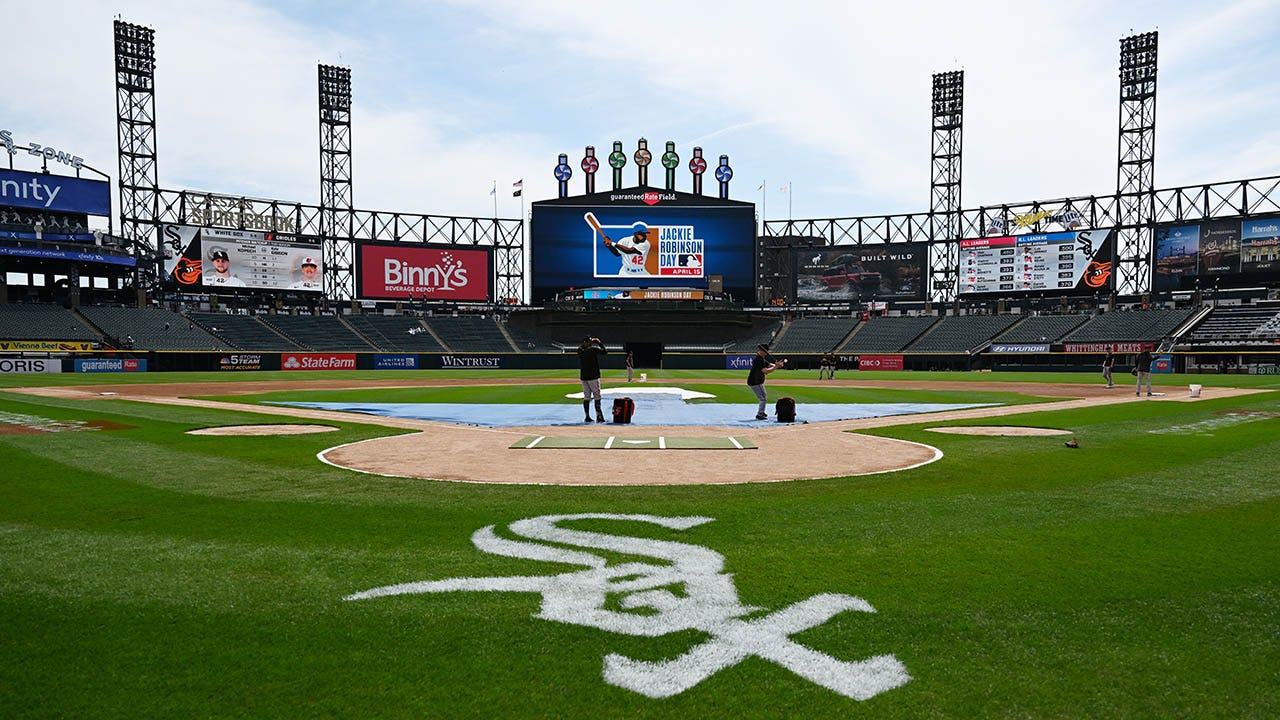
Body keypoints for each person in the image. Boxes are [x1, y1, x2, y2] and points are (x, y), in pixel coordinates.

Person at [747, 343, 787, 420]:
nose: (765, 353)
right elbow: (766, 371)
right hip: (755, 382)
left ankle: (762, 412)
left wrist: (776, 365)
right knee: (762, 398)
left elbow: (769, 365)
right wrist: (776, 367)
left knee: (764, 396)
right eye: (765, 351)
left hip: (756, 381)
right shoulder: (759, 360)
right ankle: (760, 414)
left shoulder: (761, 358)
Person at [578, 336, 607, 422]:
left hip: (584, 377)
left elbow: (581, 347)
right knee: (596, 395)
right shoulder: (593, 349)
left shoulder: (580, 350)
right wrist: (599, 342)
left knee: (587, 396)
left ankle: (587, 416)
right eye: (590, 342)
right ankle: (599, 416)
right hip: (593, 376)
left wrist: (585, 343)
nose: (591, 343)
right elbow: (605, 352)